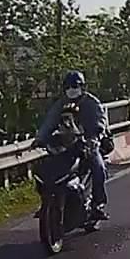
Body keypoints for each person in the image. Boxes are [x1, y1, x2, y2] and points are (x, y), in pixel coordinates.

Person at [35, 70, 109, 220]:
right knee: (47, 169)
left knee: (99, 168)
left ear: (82, 87)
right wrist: (40, 139)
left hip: (88, 143)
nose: (71, 89)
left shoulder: (91, 102)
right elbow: (49, 122)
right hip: (67, 145)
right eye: (68, 86)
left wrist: (94, 137)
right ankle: (46, 204)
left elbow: (100, 121)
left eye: (74, 86)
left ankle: (98, 205)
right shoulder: (60, 104)